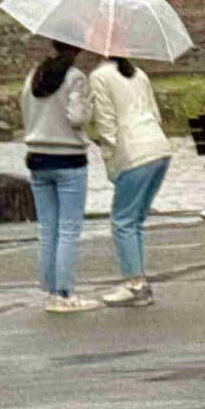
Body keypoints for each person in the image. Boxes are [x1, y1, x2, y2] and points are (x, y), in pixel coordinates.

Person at [84, 53, 173, 307]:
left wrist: (111, 161)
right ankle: (138, 280)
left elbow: (106, 124)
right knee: (135, 220)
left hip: (133, 151)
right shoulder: (138, 73)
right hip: (158, 148)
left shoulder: (100, 76)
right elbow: (155, 114)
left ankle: (136, 285)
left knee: (123, 221)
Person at [21, 38, 98, 313]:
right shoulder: (75, 78)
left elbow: (25, 112)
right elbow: (77, 118)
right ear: (77, 49)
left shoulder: (34, 76)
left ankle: (51, 290)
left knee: (48, 229)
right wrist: (89, 106)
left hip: (37, 158)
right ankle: (65, 293)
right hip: (69, 158)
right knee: (68, 229)